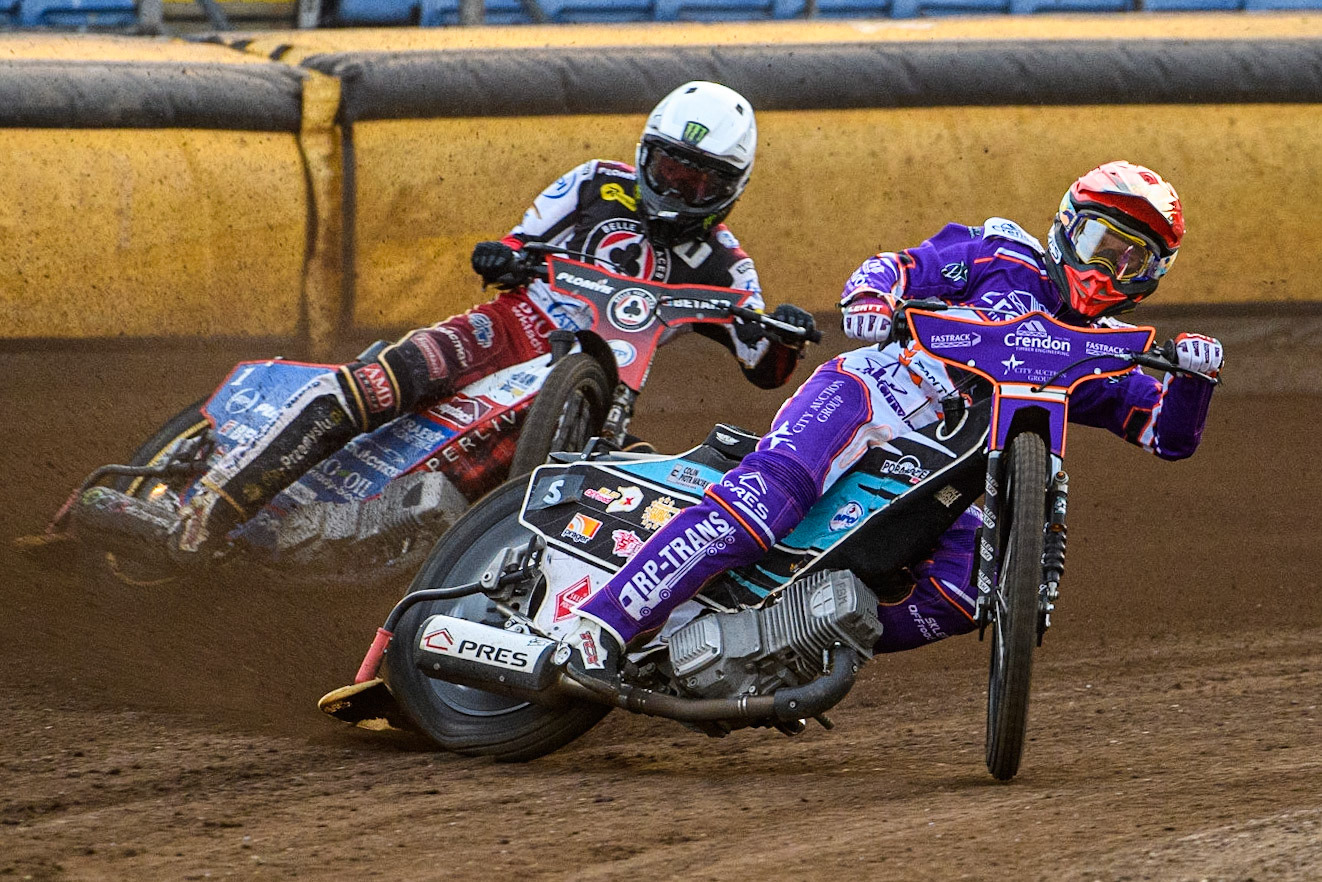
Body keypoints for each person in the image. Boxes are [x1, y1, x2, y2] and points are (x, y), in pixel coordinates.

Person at [80, 80, 815, 558]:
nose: (678, 188)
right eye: (669, 169)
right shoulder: (594, 183)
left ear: (731, 187)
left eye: (699, 180)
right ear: (645, 155)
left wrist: (782, 332)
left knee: (624, 488)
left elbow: (763, 362)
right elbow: (518, 245)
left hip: (591, 390)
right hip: (509, 328)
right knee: (374, 384)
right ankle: (199, 519)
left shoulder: (726, 264)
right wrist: (502, 256)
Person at [565, 160, 1224, 672]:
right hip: (873, 393)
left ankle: (785, 643)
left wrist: (1195, 380)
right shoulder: (1002, 255)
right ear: (1065, 227)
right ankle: (602, 624)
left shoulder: (1103, 355)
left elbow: (1167, 434)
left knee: (968, 590)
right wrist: (873, 296)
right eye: (1100, 243)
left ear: (1152, 278)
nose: (1108, 268)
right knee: (766, 501)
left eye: (1130, 261)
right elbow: (901, 267)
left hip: (951, 468)